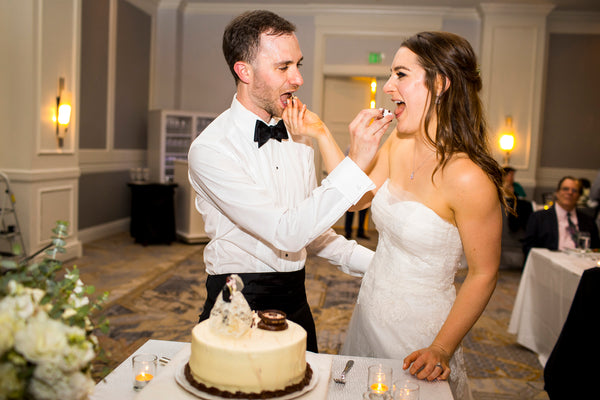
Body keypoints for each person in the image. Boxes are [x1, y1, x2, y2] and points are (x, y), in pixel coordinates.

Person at [284, 31, 505, 399]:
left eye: (400, 74)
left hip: (421, 332)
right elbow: (356, 201)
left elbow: (484, 274)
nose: (388, 86)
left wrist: (441, 348)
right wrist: (323, 134)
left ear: (440, 83)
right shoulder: (399, 143)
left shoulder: (469, 177)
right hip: (369, 310)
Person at [187, 10, 392, 353]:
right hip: (238, 303)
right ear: (244, 71)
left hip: (296, 302)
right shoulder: (210, 149)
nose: (297, 79)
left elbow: (311, 233)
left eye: (298, 65)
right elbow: (287, 232)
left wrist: (383, 267)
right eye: (283, 68)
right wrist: (356, 161)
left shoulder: (297, 138)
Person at [522, 176, 600, 258]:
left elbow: (596, 250)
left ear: (578, 196)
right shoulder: (539, 218)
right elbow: (528, 248)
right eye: (565, 189)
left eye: (574, 190)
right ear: (557, 192)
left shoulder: (588, 221)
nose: (570, 193)